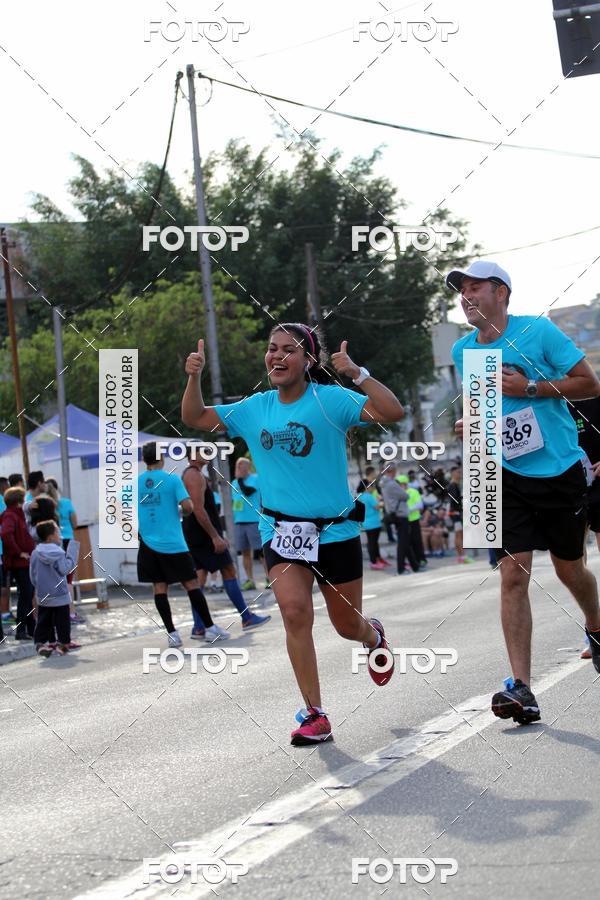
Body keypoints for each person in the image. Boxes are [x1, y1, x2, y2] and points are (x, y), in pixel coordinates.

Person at [182, 325, 403, 745]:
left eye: (289, 350)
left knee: (346, 626)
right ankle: (315, 713)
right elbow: (194, 418)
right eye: (271, 349)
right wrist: (193, 376)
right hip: (281, 531)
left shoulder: (331, 401)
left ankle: (372, 635)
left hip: (334, 532)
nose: (277, 356)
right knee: (295, 612)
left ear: (309, 360)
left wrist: (357, 373)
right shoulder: (254, 408)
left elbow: (392, 412)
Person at [448, 259, 600, 724]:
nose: (466, 297)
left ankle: (596, 625)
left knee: (570, 568)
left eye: (475, 288)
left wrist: (533, 386)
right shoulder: (463, 350)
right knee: (512, 574)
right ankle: (522, 688)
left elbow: (589, 383)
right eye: (461, 291)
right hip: (501, 474)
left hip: (557, 471)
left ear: (501, 292)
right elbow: (486, 408)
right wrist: (472, 424)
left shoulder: (539, 331)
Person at [137, 442, 224, 646]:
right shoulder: (172, 479)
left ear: (144, 460)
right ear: (162, 458)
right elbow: (188, 506)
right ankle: (210, 628)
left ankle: (172, 634)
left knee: (159, 588)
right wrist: (181, 512)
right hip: (173, 542)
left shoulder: (136, 483)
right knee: (191, 584)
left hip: (148, 542)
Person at [181, 446, 270, 637]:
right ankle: (246, 617)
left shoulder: (195, 474)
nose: (206, 454)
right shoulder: (194, 475)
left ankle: (198, 627)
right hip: (203, 535)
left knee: (199, 579)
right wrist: (215, 536)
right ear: (192, 455)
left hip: (198, 534)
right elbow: (198, 509)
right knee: (229, 570)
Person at [568, 396, 600, 659]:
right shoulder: (549, 398)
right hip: (569, 486)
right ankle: (592, 631)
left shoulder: (595, 393)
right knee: (575, 565)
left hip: (599, 484)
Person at [30, 521, 80, 657]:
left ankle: (40, 644)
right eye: (57, 532)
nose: (60, 535)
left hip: (43, 594)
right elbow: (65, 569)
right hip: (60, 595)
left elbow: (33, 575)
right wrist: (72, 553)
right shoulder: (58, 553)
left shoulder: (35, 553)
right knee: (62, 621)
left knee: (43, 621)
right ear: (50, 537)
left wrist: (39, 587)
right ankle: (62, 645)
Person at [45, 478, 84, 624]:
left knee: (54, 579)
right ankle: (71, 612)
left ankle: (58, 613)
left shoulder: (46, 506)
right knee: (68, 579)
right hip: (68, 541)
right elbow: (75, 523)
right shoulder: (66, 503)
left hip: (52, 542)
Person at [0, 487, 35, 640]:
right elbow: (6, 534)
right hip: (18, 563)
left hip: (23, 562)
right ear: (18, 500)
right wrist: (19, 552)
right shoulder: (10, 515)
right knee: (25, 595)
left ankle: (31, 629)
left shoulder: (17, 515)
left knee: (28, 594)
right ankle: (21, 631)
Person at [231, 457, 267, 590]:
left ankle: (269, 577)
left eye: (242, 466)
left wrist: (240, 479)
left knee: (261, 551)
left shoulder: (255, 479)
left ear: (248, 467)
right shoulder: (234, 482)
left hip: (254, 520)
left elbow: (247, 491)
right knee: (245, 552)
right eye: (238, 466)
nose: (239, 468)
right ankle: (250, 580)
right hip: (239, 521)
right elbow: (233, 501)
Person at [380, 465, 420, 575]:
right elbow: (406, 496)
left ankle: (415, 566)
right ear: (391, 471)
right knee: (403, 543)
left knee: (405, 542)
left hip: (393, 514)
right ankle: (401, 569)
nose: (395, 473)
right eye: (394, 471)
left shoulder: (383, 484)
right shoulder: (392, 484)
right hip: (401, 515)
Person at [356, 478, 389, 570]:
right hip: (374, 523)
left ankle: (377, 559)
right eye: (371, 485)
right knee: (373, 543)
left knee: (372, 542)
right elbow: (377, 506)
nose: (373, 487)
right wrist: (382, 502)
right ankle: (374, 562)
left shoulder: (360, 496)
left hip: (366, 523)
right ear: (367, 487)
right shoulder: (368, 496)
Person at [446, 467, 472, 564]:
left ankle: (461, 557)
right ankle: (462, 556)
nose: (460, 474)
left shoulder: (456, 485)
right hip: (455, 513)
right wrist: (460, 511)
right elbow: (454, 501)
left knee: (459, 535)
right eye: (458, 472)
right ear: (453, 473)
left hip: (455, 513)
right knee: (459, 535)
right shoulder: (453, 485)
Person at [403, 475, 428, 568]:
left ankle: (421, 559)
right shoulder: (399, 493)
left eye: (401, 484)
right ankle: (412, 561)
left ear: (405, 484)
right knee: (408, 542)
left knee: (417, 541)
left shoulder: (413, 492)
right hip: (404, 521)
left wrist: (408, 510)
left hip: (414, 520)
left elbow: (420, 505)